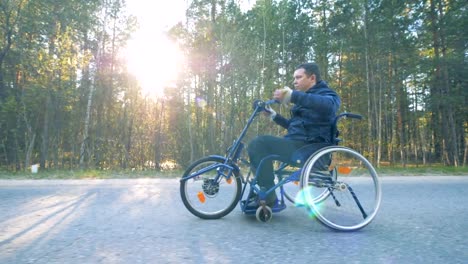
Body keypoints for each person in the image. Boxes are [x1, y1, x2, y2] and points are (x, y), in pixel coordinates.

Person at [247, 62, 341, 207]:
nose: (294, 81)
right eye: (294, 78)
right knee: (259, 146)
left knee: (259, 143)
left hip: (309, 148)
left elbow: (329, 106)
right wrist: (273, 115)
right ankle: (264, 190)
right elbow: (294, 127)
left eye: (298, 77)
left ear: (312, 78)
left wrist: (293, 96)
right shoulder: (305, 98)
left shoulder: (327, 95)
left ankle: (269, 198)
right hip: (297, 144)